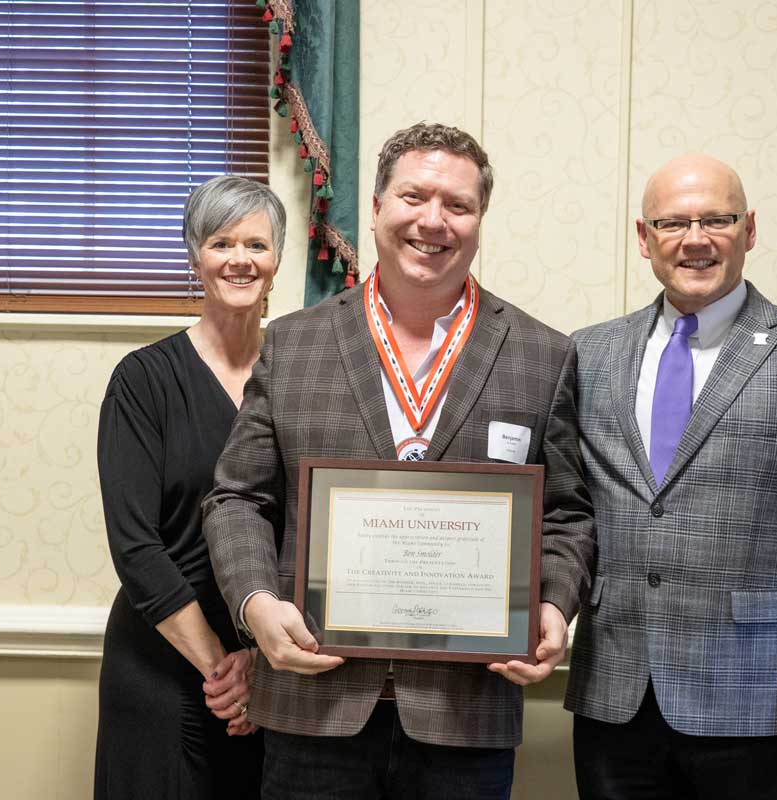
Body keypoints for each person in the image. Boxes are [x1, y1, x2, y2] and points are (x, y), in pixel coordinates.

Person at [202, 122, 596, 799]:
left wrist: (555, 608)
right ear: (378, 206)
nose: (433, 221)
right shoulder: (295, 343)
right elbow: (237, 497)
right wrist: (256, 604)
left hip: (465, 716)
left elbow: (566, 514)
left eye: (458, 205)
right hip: (314, 706)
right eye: (414, 197)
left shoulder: (542, 355)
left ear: (479, 221)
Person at [564, 154, 777, 799]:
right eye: (673, 223)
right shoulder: (589, 353)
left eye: (717, 219)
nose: (696, 239)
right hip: (615, 703)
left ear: (750, 229)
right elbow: (566, 510)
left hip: (764, 713)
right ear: (644, 238)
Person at [94, 176, 285, 799]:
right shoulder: (143, 380)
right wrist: (223, 673)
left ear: (276, 260)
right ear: (194, 257)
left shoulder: (301, 378)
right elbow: (134, 545)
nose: (239, 259)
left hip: (277, 667)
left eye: (256, 244)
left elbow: (315, 527)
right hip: (164, 661)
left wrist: (261, 664)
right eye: (221, 242)